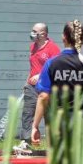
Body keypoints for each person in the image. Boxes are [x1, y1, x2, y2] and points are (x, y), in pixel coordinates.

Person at [30, 20, 83, 144]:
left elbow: (43, 96)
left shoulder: (52, 63)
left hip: (60, 121)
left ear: (63, 37)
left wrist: (35, 126)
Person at [15, 23, 60, 151]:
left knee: (49, 116)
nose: (32, 33)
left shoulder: (53, 48)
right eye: (32, 31)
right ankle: (26, 142)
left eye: (35, 31)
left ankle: (53, 146)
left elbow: (55, 68)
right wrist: (26, 82)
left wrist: (40, 75)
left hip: (46, 88)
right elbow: (33, 67)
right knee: (27, 114)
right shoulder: (33, 46)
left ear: (44, 34)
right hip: (31, 87)